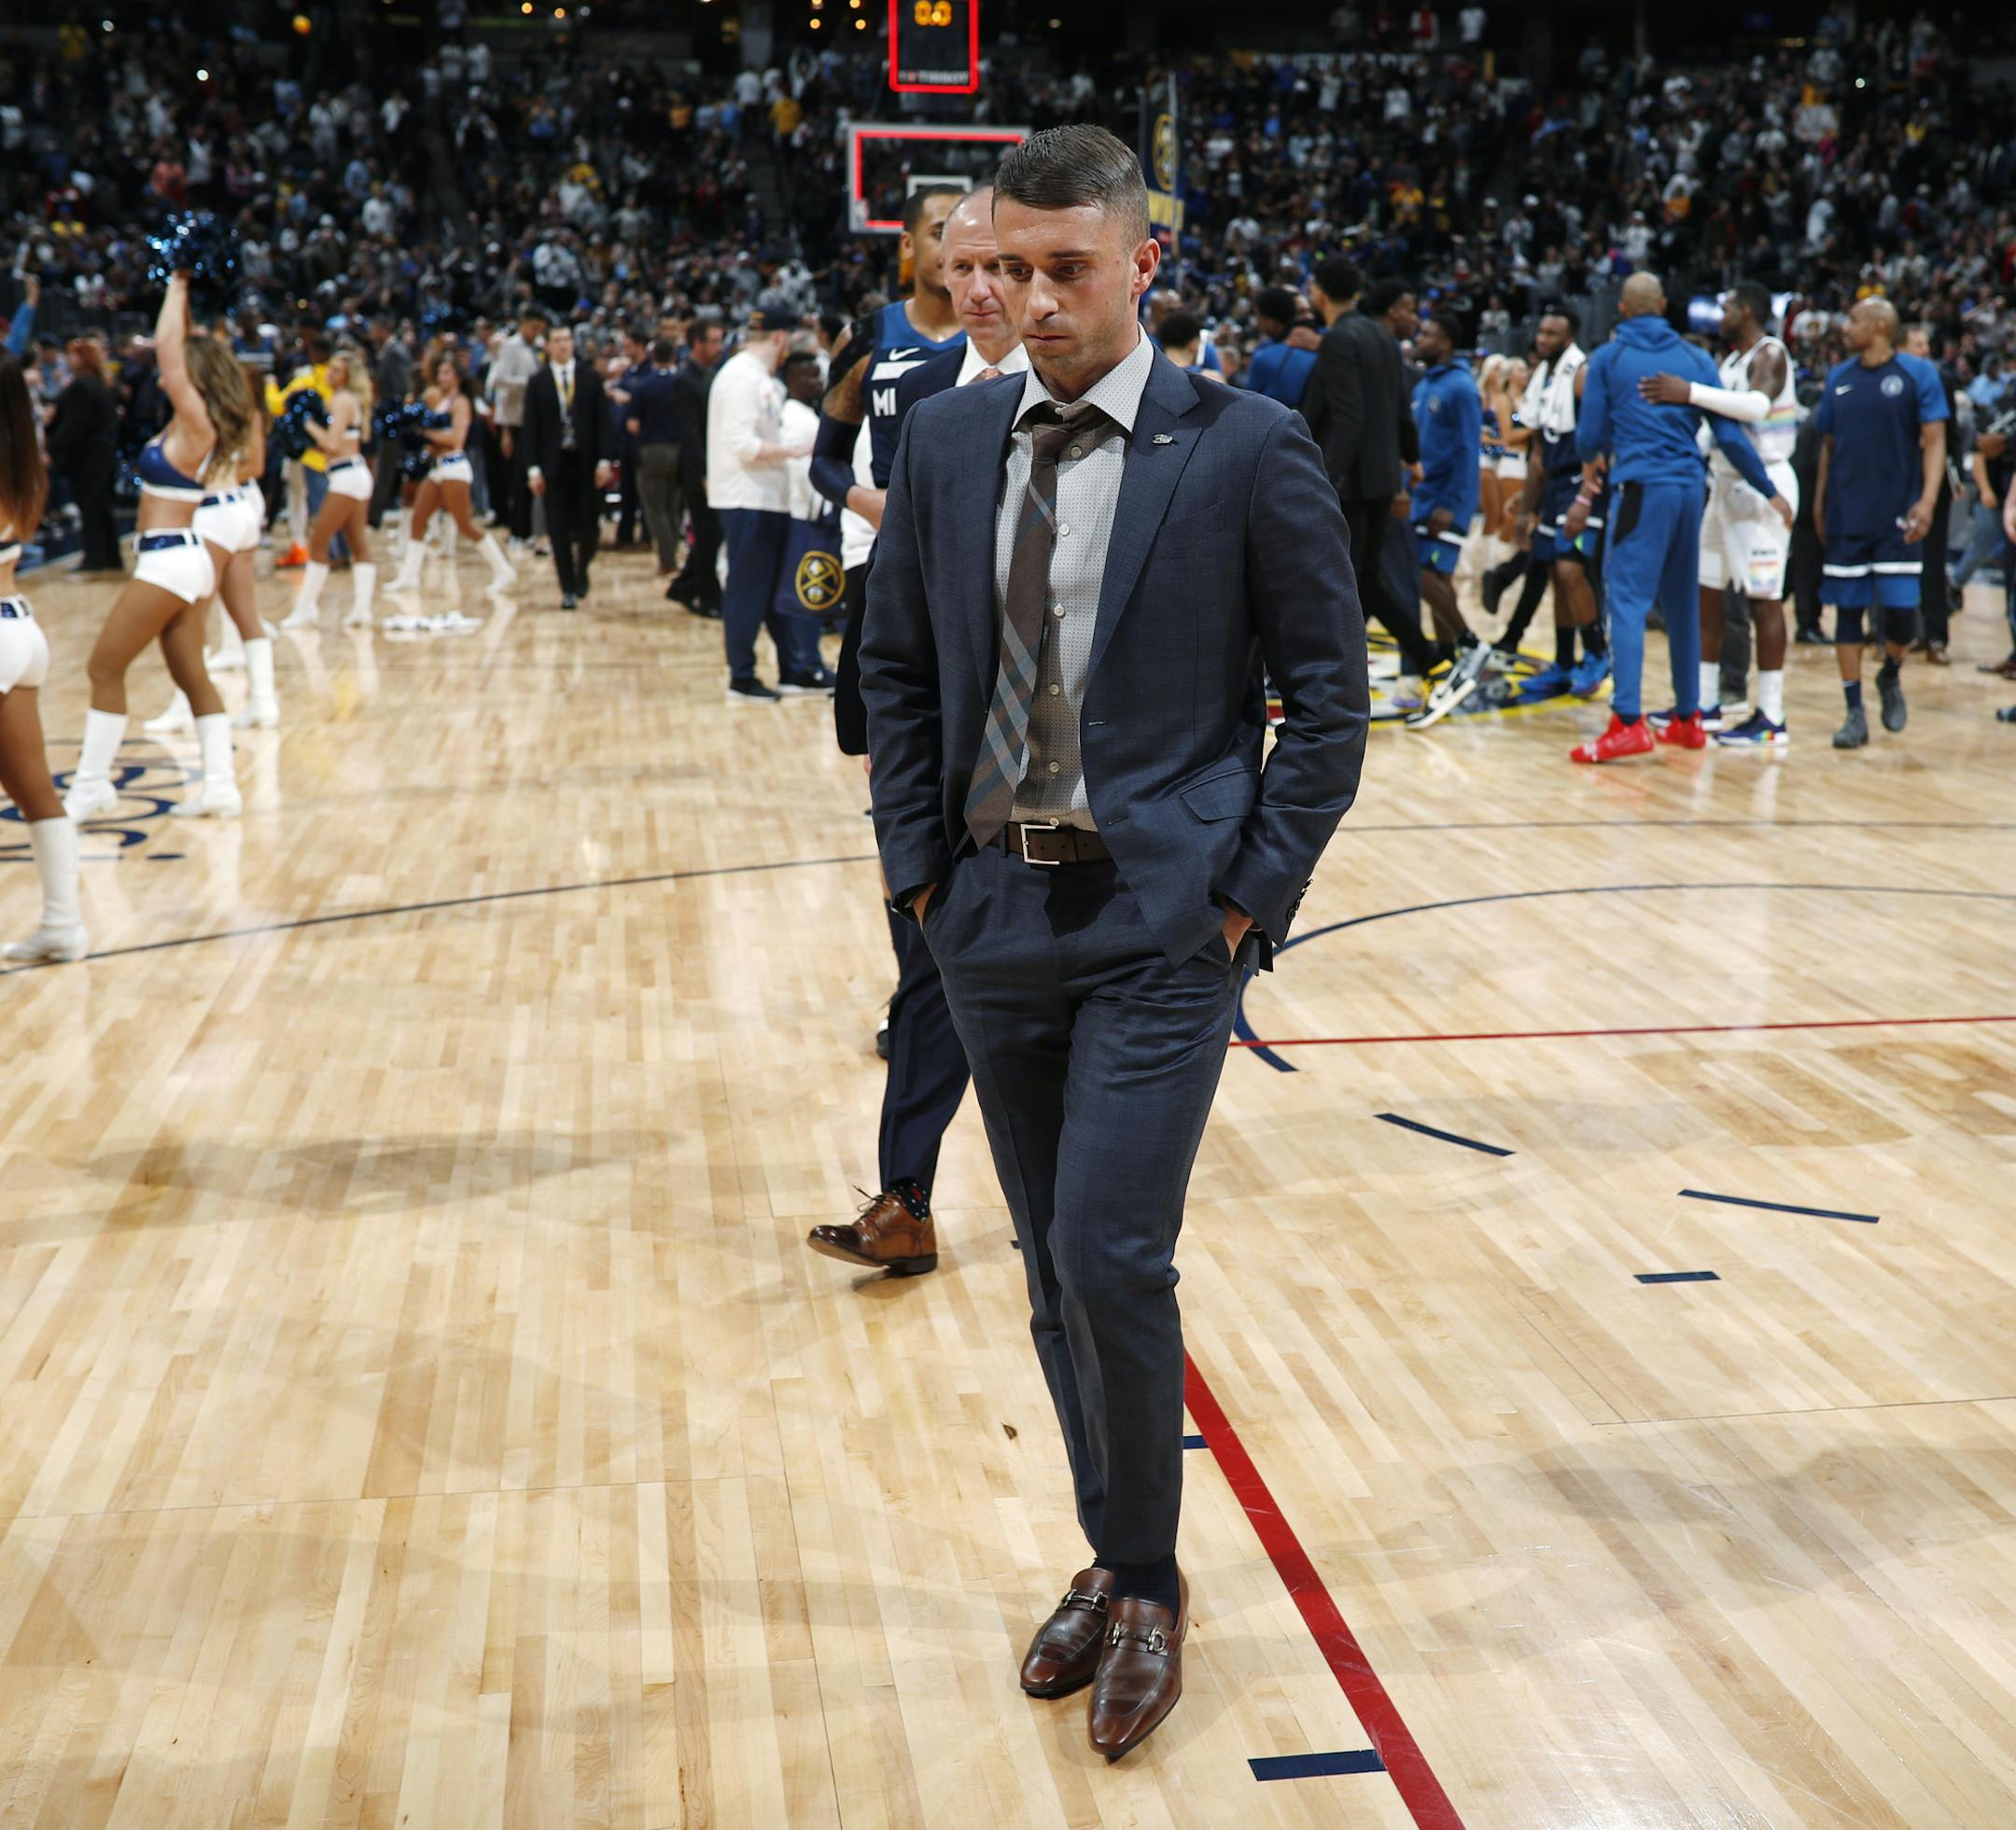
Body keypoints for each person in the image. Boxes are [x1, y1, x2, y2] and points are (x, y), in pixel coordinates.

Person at [858, 124, 1368, 1761]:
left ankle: (1146, 1580)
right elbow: (894, 673)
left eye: (1067, 268)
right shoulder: (943, 443)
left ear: (1143, 264)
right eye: (1007, 267)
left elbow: (1331, 704)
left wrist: (1244, 902)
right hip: (988, 917)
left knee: (1110, 1253)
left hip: (1161, 927)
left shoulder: (1246, 447)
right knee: (1048, 1273)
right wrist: (919, 882)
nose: (1032, 297)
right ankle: (1114, 1549)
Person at [808, 184, 1029, 1282]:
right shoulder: (924, 398)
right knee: (926, 968)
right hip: (938, 754)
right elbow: (893, 610)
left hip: (1061, 762)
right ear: (935, 264)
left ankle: (1056, 1206)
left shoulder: (1087, 395)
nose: (981, 285)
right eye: (963, 260)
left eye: (1004, 264)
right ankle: (907, 1198)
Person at [1566, 272, 1790, 762]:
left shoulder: (1609, 358)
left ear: (1623, 309)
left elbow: (1586, 438)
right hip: (1693, 489)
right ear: (1663, 305)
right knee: (1682, 602)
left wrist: (1600, 451)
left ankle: (1627, 721)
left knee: (1624, 601)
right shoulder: (1694, 358)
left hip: (1642, 489)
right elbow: (1730, 435)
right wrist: (1769, 489)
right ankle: (1689, 718)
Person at [64, 273, 253, 824]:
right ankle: (221, 787)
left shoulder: (197, 425)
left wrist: (178, 280)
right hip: (182, 556)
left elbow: (170, 348)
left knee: (103, 666)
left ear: (191, 378)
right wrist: (188, 299)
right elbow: (181, 344)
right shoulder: (188, 422)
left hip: (171, 558)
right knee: (192, 675)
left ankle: (92, 788)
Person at [1636, 280, 1801, 747]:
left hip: (1764, 485)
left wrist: (1689, 392)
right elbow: (1716, 428)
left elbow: (1756, 406)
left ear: (1746, 310)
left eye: (1726, 307)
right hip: (1724, 485)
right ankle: (1702, 706)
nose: (1719, 314)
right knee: (1706, 592)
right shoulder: (1729, 361)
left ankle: (1771, 715)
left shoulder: (1770, 353)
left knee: (1764, 601)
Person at [1813, 297, 1948, 748]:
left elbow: (1934, 442)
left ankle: (1890, 673)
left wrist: (1928, 500)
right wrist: (1819, 501)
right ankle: (1854, 713)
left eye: (1853, 319)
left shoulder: (1917, 375)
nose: (1845, 326)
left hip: (1898, 515)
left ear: (1877, 326)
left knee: (1903, 618)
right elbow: (1828, 446)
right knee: (1847, 614)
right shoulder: (1839, 377)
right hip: (1847, 512)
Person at [1304, 258, 1442, 684]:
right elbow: (1401, 409)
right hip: (1383, 478)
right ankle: (1350, 667)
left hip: (1354, 483)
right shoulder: (1382, 337)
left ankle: (1427, 656)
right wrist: (1411, 457)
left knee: (1355, 580)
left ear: (1320, 293)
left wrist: (1320, 479)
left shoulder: (1340, 340)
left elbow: (1349, 417)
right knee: (1362, 579)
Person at [0, 350, 86, 964]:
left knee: (34, 787)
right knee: (35, 787)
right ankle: (64, 925)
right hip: (22, 631)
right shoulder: (23, 460)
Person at [705, 306, 825, 700]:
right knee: (747, 590)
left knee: (773, 591)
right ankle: (741, 677)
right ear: (780, 337)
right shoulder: (742, 377)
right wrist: (792, 450)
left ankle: (794, 669)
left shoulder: (758, 377)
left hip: (765, 498)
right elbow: (740, 444)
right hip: (747, 499)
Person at [1505, 309, 1611, 697]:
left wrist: (1586, 495)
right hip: (1554, 488)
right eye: (1541, 331)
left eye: (1552, 334)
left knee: (1571, 572)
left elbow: (1602, 441)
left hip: (1581, 485)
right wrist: (1525, 513)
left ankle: (1598, 655)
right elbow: (1536, 455)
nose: (1542, 339)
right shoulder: (1542, 379)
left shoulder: (1580, 373)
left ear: (1569, 339)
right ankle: (1564, 664)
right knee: (1555, 574)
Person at [389, 353, 521, 599]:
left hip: (454, 467)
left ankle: (503, 569)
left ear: (458, 377)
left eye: (447, 373)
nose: (442, 377)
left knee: (465, 524)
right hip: (437, 468)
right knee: (418, 519)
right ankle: (409, 576)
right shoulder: (439, 401)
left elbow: (456, 440)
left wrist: (425, 435)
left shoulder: (460, 403)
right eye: (440, 373)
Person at [280, 345, 377, 636]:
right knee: (358, 544)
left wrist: (307, 425)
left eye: (336, 370)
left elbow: (332, 445)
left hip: (346, 476)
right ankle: (362, 609)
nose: (330, 374)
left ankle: (304, 610)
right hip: (354, 474)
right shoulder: (350, 400)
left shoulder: (341, 401)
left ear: (347, 375)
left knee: (319, 542)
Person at [521, 323, 615, 609]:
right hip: (554, 464)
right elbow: (530, 429)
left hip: (586, 463)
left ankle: (582, 566)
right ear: (547, 345)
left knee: (590, 527)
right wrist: (533, 469)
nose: (563, 344)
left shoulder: (590, 378)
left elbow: (603, 423)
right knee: (557, 528)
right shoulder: (537, 383)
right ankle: (568, 588)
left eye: (567, 339)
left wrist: (605, 460)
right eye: (557, 340)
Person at [1408, 312, 1482, 649]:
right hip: (1422, 496)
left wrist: (1451, 504)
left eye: (1428, 334)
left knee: (1425, 575)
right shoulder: (1424, 385)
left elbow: (1469, 451)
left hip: (1445, 500)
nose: (1419, 339)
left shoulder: (1461, 387)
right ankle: (1450, 658)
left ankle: (1470, 646)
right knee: (1438, 581)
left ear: (1447, 343)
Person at [666, 318, 725, 617]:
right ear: (697, 344)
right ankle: (708, 598)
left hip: (714, 469)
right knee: (707, 536)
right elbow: (689, 434)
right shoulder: (685, 379)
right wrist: (704, 473)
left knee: (711, 535)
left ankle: (684, 586)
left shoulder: (710, 374)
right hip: (698, 474)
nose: (719, 346)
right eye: (714, 340)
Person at [49, 335, 121, 574]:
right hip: (102, 455)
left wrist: (54, 449)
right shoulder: (100, 382)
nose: (67, 359)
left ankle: (94, 558)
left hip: (87, 458)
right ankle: (110, 556)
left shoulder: (82, 386)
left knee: (90, 507)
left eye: (71, 354)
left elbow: (74, 426)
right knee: (101, 506)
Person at [487, 304, 546, 554]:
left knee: (532, 478)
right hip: (516, 421)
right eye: (534, 327)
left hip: (536, 421)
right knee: (519, 479)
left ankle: (532, 530)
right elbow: (497, 381)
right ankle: (517, 531)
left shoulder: (539, 347)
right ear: (524, 323)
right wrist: (529, 385)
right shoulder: (511, 346)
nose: (537, 332)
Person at [624, 338, 685, 577]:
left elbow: (632, 425)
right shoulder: (683, 383)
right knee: (674, 507)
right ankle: (675, 554)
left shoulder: (643, 386)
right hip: (679, 451)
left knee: (655, 509)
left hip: (652, 451)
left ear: (653, 358)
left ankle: (667, 560)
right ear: (673, 358)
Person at [1240, 286, 1320, 409]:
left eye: (1258, 316)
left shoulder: (1264, 357)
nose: (1257, 323)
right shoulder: (1320, 344)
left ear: (1270, 322)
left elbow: (1248, 407)